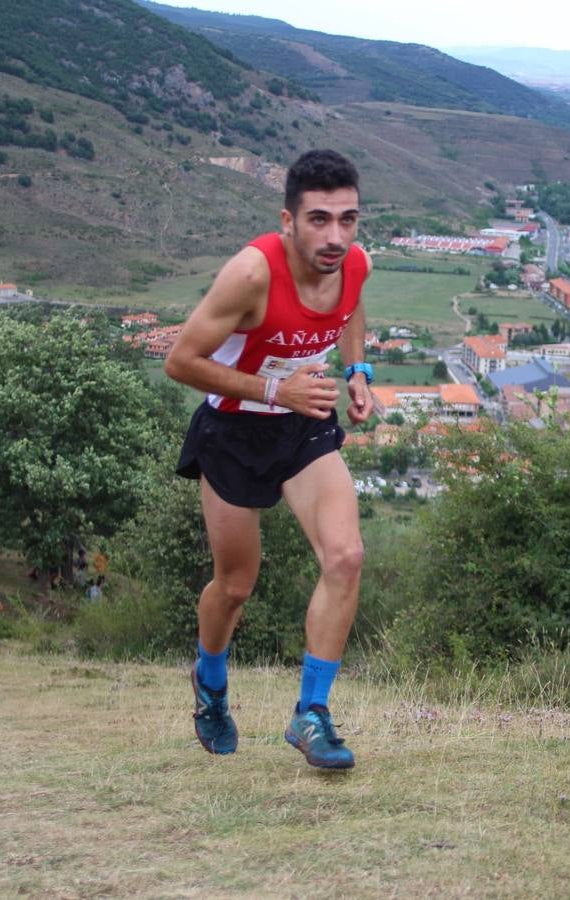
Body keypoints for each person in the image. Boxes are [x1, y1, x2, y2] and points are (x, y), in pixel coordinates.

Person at [164, 148, 374, 769]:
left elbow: (352, 306)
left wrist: (357, 370)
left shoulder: (354, 263)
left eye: (347, 219)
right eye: (319, 220)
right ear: (288, 221)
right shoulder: (252, 275)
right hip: (232, 432)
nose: (335, 236)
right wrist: (273, 388)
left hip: (303, 425)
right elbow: (180, 362)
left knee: (347, 555)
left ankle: (312, 715)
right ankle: (210, 685)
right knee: (235, 585)